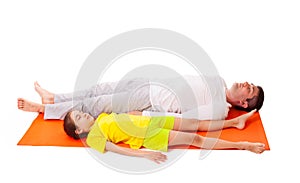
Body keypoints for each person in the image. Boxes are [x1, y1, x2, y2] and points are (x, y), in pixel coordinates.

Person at [17, 75, 264, 120]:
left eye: (249, 89)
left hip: (150, 100)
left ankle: (44, 110)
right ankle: (54, 98)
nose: (245, 84)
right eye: (250, 84)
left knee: (95, 105)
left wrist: (146, 115)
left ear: (243, 103)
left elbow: (189, 119)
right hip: (151, 82)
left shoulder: (219, 109)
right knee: (98, 89)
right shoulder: (219, 80)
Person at [63, 109, 265, 164]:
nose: (85, 114)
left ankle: (234, 123)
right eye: (79, 117)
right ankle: (242, 145)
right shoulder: (92, 138)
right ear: (79, 130)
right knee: (195, 138)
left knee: (195, 123)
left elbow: (124, 118)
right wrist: (146, 155)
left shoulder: (101, 117)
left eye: (81, 112)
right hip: (149, 136)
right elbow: (116, 149)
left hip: (152, 121)